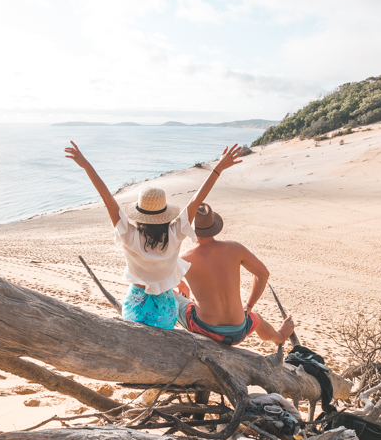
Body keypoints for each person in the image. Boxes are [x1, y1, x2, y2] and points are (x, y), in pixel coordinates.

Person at [64, 141, 242, 329]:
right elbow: (197, 199)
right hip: (165, 311)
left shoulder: (128, 234)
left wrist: (86, 166)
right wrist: (218, 168)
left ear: (139, 215)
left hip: (135, 308)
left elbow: (106, 197)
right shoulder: (176, 232)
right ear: (165, 214)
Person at [177, 203, 294, 346]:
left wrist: (181, 284)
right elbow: (263, 274)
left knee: (174, 298)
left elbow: (162, 283)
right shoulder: (234, 248)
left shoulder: (184, 259)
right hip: (238, 331)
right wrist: (249, 305)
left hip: (205, 330)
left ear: (190, 230)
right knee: (257, 319)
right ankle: (279, 337)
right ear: (214, 227)